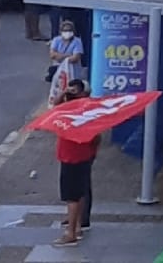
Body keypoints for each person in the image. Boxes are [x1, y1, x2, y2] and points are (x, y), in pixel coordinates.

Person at [53, 81, 97, 247]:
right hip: (84, 156)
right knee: (80, 193)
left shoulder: (66, 111)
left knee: (71, 197)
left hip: (70, 158)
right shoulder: (89, 111)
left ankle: (70, 232)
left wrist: (64, 92)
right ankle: (77, 227)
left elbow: (54, 105)